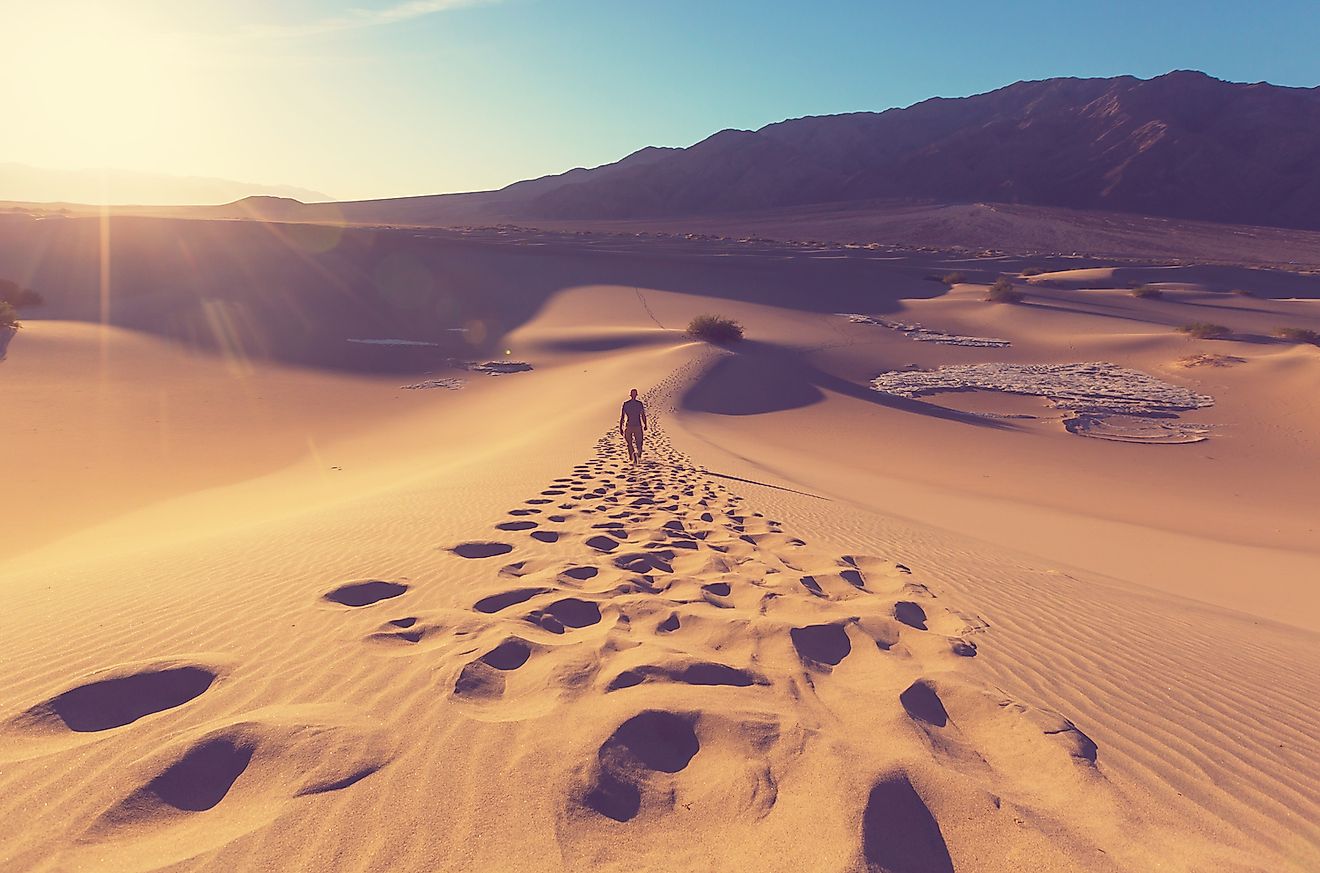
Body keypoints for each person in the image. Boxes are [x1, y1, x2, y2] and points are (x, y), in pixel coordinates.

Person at [619, 388, 647, 463]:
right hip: (638, 425)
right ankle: (637, 455)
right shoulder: (639, 404)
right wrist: (645, 424)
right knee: (639, 443)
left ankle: (632, 457)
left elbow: (622, 417)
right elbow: (643, 415)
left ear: (631, 395)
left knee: (629, 443)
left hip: (629, 426)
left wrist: (621, 427)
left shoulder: (626, 404)